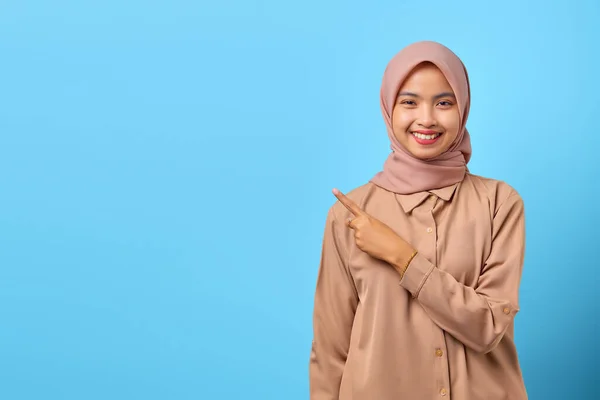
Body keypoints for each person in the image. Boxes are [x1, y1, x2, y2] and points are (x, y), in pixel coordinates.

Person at [308, 41, 528, 399]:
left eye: (444, 102)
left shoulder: (499, 204)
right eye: (409, 102)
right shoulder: (349, 214)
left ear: (464, 107)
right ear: (388, 108)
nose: (426, 118)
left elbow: (488, 327)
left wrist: (402, 257)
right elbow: (330, 350)